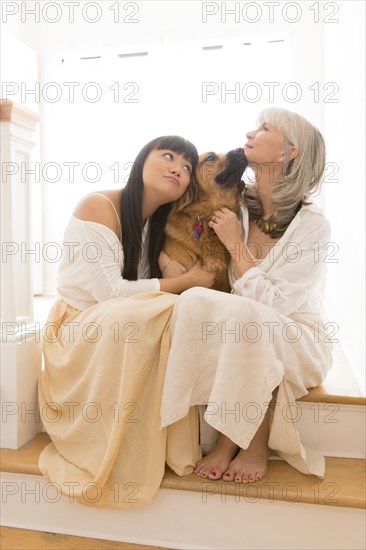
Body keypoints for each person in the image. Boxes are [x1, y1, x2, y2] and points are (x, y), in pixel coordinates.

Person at [38, 135, 215, 509]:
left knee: (172, 309)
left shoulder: (157, 224)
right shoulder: (99, 206)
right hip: (76, 329)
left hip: (113, 323)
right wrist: (183, 282)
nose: (177, 169)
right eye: (168, 156)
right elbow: (110, 293)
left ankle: (158, 443)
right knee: (154, 309)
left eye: (186, 168)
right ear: (142, 160)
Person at [160, 107, 334, 483]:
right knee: (192, 300)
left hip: (297, 337)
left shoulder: (313, 225)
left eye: (264, 128)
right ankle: (227, 432)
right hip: (245, 328)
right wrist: (161, 256)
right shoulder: (235, 205)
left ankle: (242, 440)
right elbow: (176, 211)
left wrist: (237, 248)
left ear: (288, 152)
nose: (250, 133)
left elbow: (277, 306)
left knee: (246, 315)